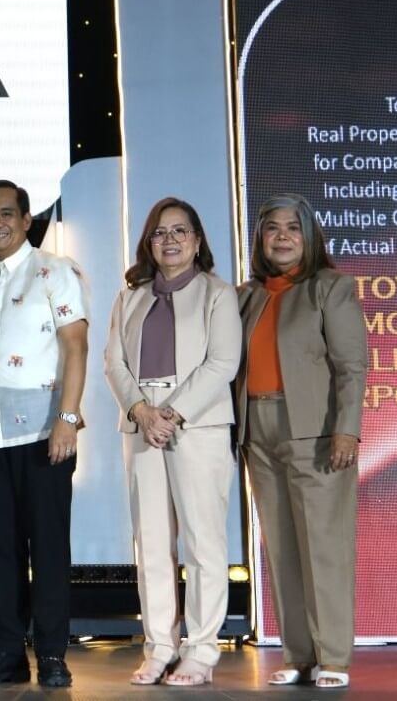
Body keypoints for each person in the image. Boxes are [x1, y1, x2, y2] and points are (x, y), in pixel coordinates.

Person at [103, 197, 241, 686]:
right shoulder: (132, 296)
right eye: (161, 232)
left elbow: (222, 364)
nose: (170, 240)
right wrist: (141, 411)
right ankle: (160, 645)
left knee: (203, 541)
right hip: (142, 425)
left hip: (196, 424)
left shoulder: (217, 294)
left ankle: (201, 650)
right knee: (154, 543)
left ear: (197, 240)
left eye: (180, 231)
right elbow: (113, 362)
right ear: (149, 242)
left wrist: (173, 413)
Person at [0, 179, 88, 688]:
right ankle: (8, 652)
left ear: (26, 219)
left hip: (43, 432)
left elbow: (75, 346)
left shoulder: (56, 271)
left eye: (6, 214)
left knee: (49, 545)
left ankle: (53, 654)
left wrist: (68, 418)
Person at [235, 193, 366, 690]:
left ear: (309, 236)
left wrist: (347, 428)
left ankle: (332, 655)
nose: (283, 237)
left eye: (293, 228)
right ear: (261, 239)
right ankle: (298, 654)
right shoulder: (248, 296)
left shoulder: (330, 288)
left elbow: (350, 366)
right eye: (272, 228)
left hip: (315, 430)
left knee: (324, 547)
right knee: (282, 549)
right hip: (258, 430)